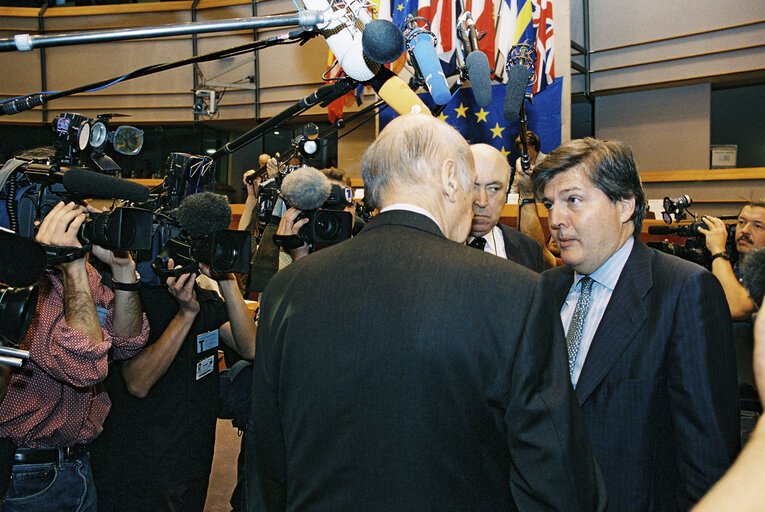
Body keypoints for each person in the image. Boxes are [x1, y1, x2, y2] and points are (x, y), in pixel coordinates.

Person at [246, 114, 606, 511]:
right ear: (451, 179)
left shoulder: (287, 287)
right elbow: (558, 479)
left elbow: (266, 463)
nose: (475, 204)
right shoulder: (514, 293)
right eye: (471, 188)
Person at [532, 137, 739, 511]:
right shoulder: (545, 289)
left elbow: (707, 455)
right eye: (550, 204)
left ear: (624, 204)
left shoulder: (683, 291)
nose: (556, 219)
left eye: (572, 200)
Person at [90, 193, 257, 512]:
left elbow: (250, 347)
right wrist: (186, 314)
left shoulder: (206, 298)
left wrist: (227, 278)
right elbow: (137, 383)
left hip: (193, 455)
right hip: (143, 462)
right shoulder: (135, 302)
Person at [0, 201, 149, 511]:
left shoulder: (84, 273)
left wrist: (123, 269)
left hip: (78, 463)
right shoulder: (17, 277)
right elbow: (85, 368)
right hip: (25, 473)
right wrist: (73, 266)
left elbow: (126, 343)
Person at [699, 201, 765, 442]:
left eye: (758, 226)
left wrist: (717, 251)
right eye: (741, 222)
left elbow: (737, 307)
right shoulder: (725, 269)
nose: (745, 230)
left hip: (745, 407)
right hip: (709, 399)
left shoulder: (759, 277)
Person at [468, 143, 549, 271]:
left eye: (494, 189)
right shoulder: (430, 248)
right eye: (472, 187)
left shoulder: (529, 252)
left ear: (506, 192)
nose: (482, 201)